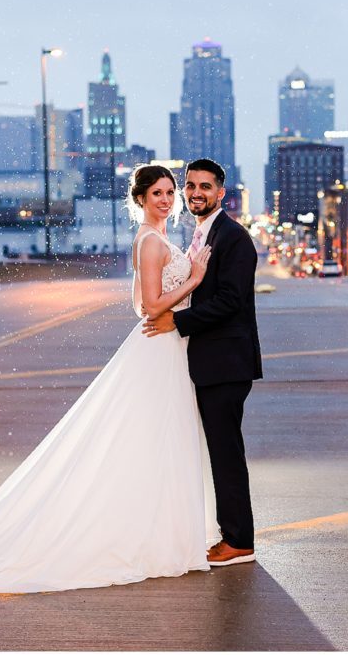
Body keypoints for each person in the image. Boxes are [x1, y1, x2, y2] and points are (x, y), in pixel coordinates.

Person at [0, 164, 219, 593]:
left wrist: (176, 298)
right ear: (139, 199)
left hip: (165, 346)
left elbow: (139, 305)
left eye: (169, 192)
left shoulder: (155, 240)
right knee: (155, 437)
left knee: (157, 438)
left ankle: (162, 525)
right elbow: (154, 306)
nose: (166, 199)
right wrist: (194, 279)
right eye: (157, 193)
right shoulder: (151, 241)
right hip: (160, 347)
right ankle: (154, 529)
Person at [142, 158, 263, 567]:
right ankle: (230, 533)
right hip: (210, 359)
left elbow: (230, 302)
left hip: (227, 361)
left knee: (226, 452)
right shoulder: (202, 235)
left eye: (205, 187)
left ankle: (239, 540)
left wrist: (176, 320)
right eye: (190, 186)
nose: (196, 193)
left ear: (221, 193)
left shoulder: (234, 239)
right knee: (219, 450)